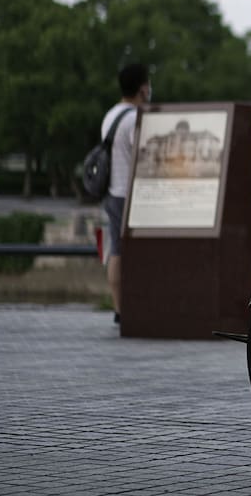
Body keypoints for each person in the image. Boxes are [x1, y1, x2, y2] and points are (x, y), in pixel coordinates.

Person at [101, 63, 150, 326]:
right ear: (143, 88)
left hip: (111, 191)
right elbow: (143, 156)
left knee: (116, 251)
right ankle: (129, 307)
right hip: (129, 195)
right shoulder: (135, 118)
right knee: (129, 253)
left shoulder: (110, 115)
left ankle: (118, 307)